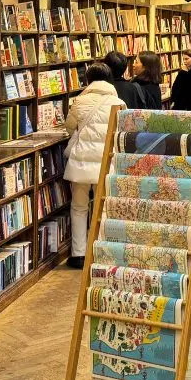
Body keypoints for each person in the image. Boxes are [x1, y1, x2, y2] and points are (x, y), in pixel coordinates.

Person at [63, 63, 127, 268]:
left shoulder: (80, 101)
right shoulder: (119, 103)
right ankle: (101, 252)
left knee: (79, 208)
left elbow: (69, 128)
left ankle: (78, 254)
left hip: (81, 163)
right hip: (106, 163)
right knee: (104, 208)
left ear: (88, 80)